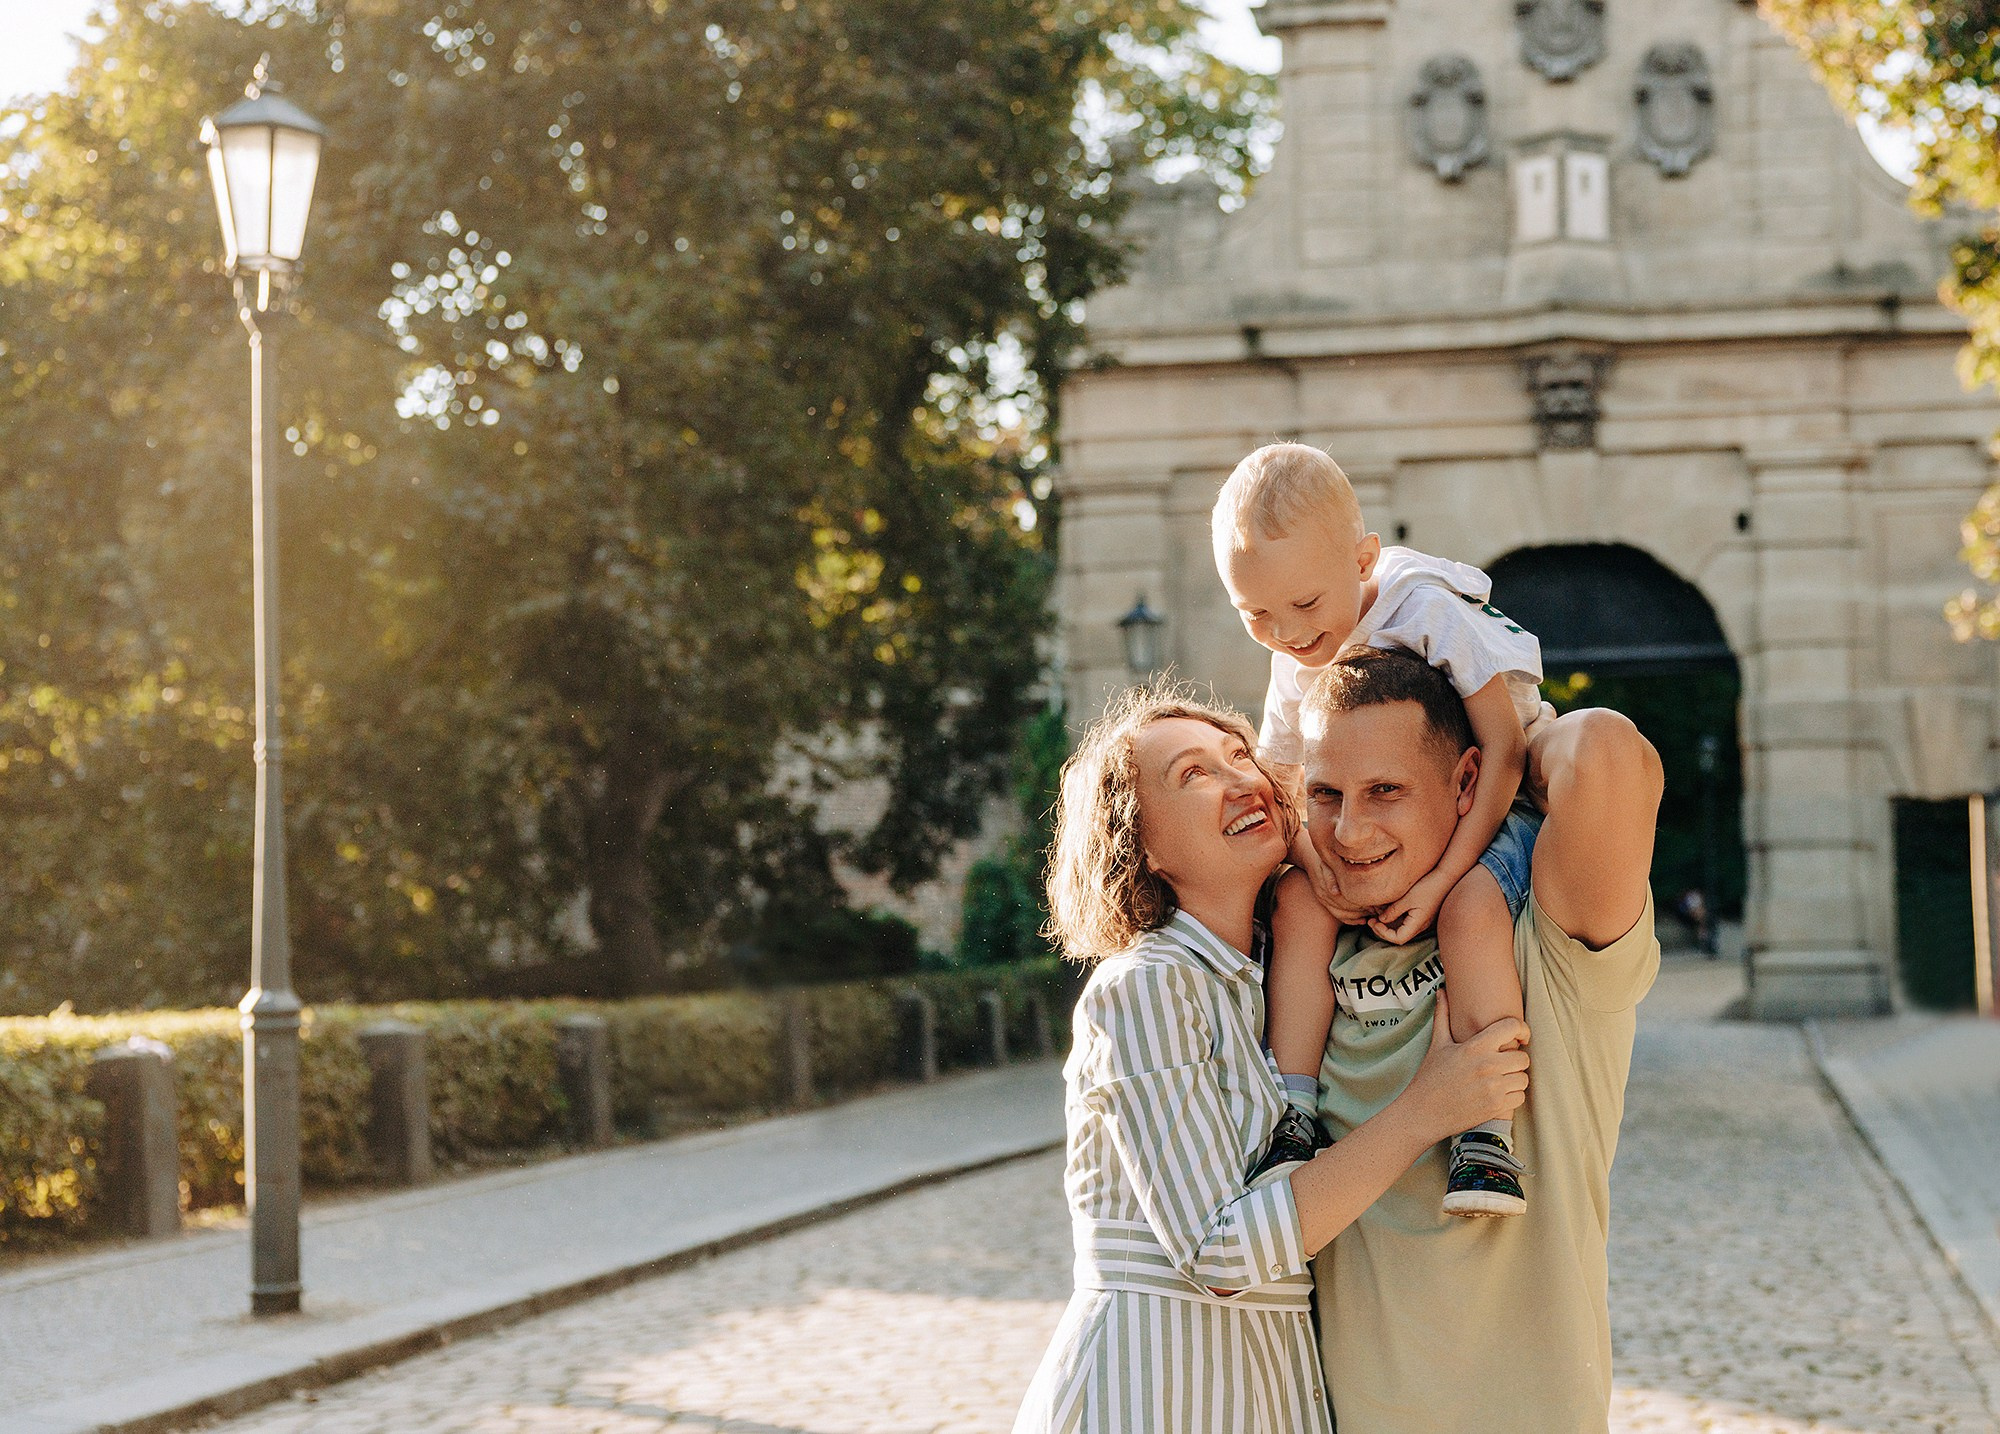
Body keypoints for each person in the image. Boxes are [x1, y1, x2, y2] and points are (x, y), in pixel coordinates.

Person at [1013, 684, 1531, 1434]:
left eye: (1239, 757)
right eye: (1192, 775)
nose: (1240, 781)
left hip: (1266, 1389)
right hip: (1153, 1393)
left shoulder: (1271, 975)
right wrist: (1426, 1110)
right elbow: (1219, 1253)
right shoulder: (1146, 987)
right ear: (1141, 845)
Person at [1302, 648, 1663, 1433]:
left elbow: (1607, 756)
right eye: (1325, 793)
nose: (1349, 828)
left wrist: (1517, 753)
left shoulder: (1545, 943)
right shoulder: (1302, 962)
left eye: (1386, 791)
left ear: (1466, 783)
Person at [1212, 440, 1561, 1216]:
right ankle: (1293, 1109)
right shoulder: (1293, 654)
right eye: (1255, 614)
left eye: (1304, 605)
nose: (1287, 632)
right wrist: (1324, 873)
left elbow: (1502, 754)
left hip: (1497, 796)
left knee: (1471, 910)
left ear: (1363, 560)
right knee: (1300, 901)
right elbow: (1286, 784)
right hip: (1389, 805)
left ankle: (1487, 1133)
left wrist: (1440, 881)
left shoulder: (1421, 607)